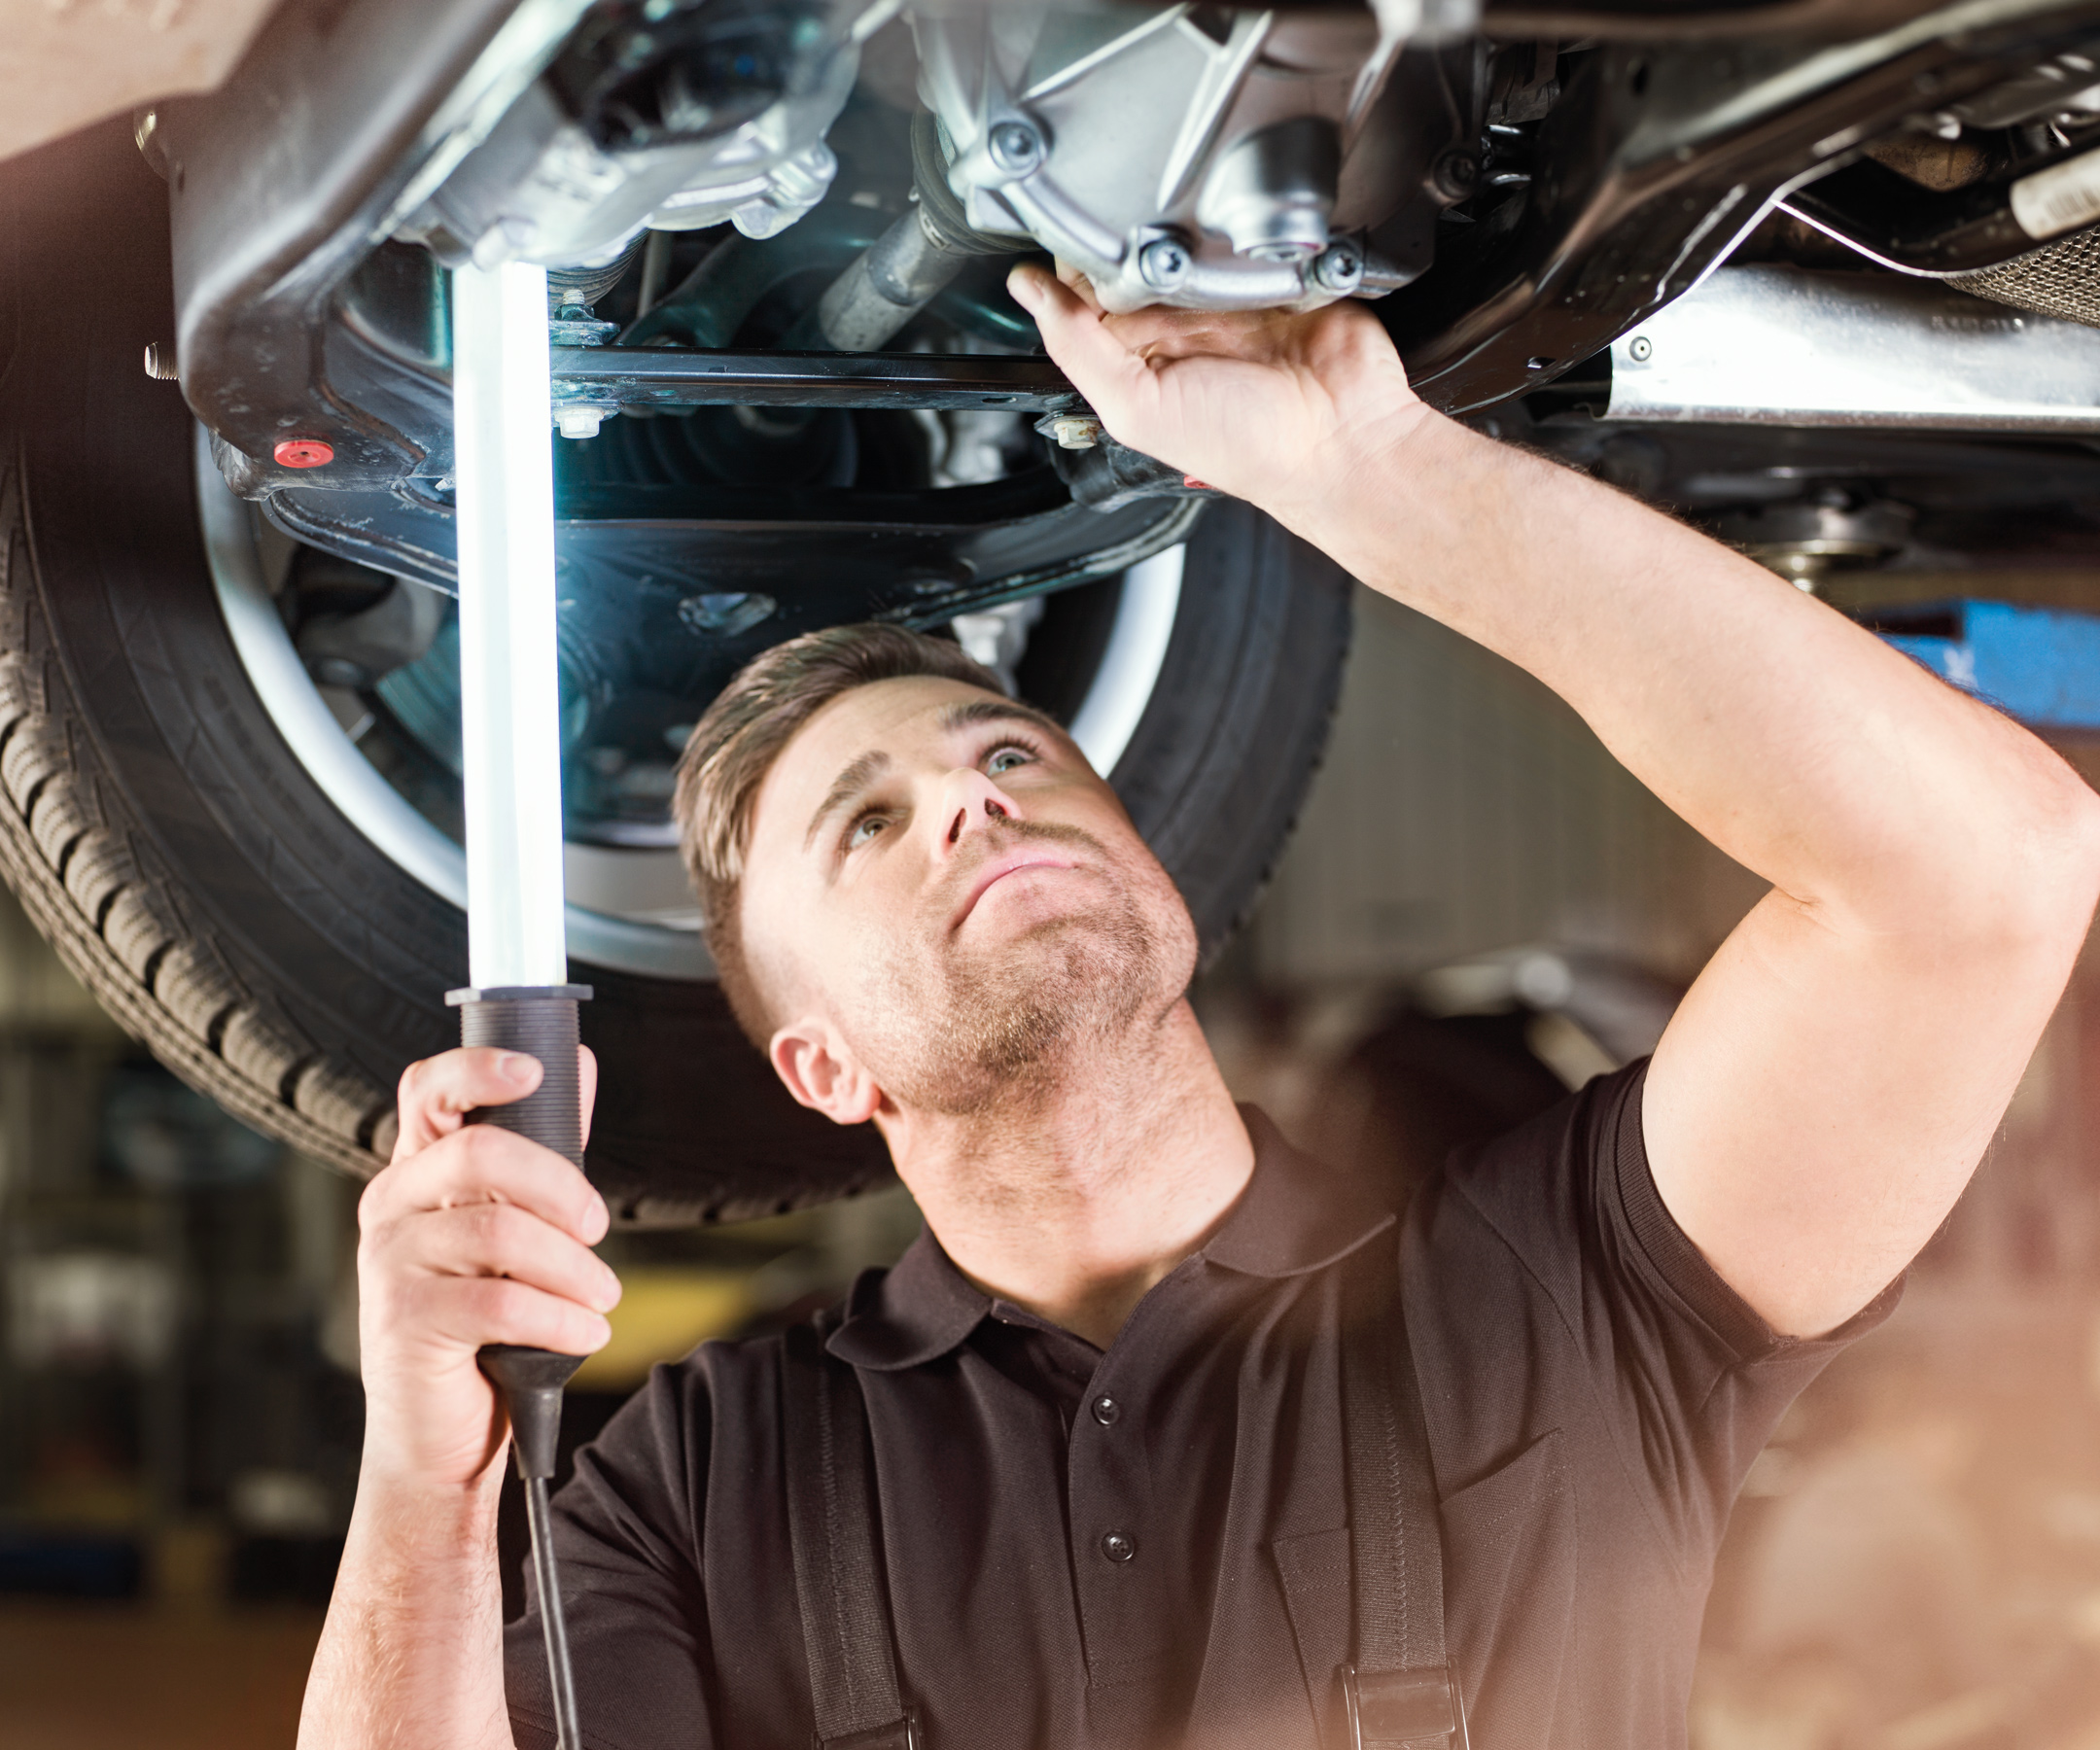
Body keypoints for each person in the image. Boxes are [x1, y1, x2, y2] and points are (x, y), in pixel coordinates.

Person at [299, 263, 2100, 1750]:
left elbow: (1986, 875)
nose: (972, 798)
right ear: (819, 1064)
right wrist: (428, 1490)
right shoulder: (702, 1482)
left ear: (1163, 879)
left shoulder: (1566, 1286)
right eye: (866, 823)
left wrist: (1370, 467)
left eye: (1012, 749)